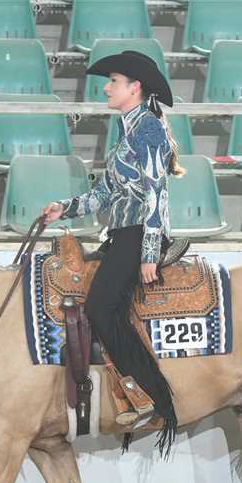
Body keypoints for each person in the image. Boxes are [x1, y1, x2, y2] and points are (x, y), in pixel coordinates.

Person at [41, 50, 184, 453]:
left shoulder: (148, 129)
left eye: (114, 82)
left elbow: (156, 193)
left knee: (100, 308)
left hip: (139, 235)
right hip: (124, 234)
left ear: (134, 88)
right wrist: (65, 208)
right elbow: (104, 192)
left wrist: (150, 252)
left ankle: (151, 397)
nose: (106, 88)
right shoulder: (128, 130)